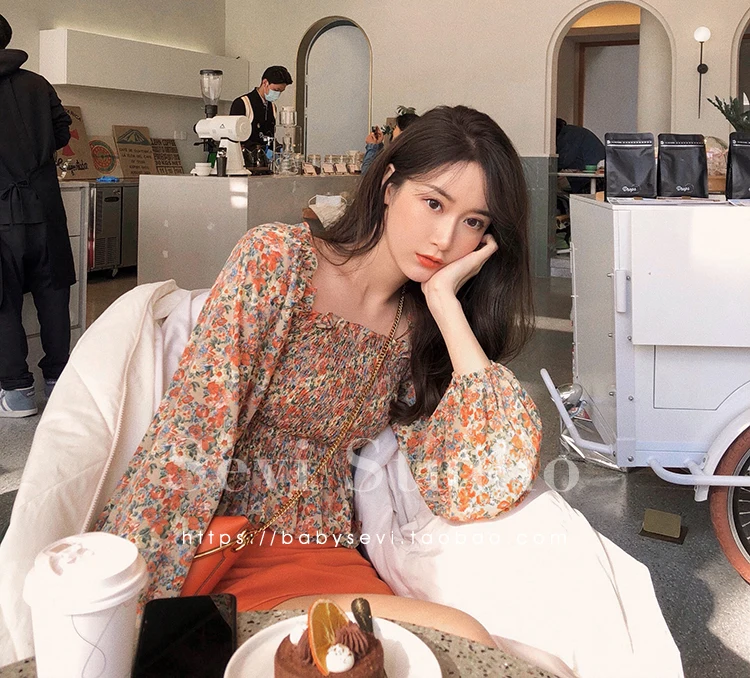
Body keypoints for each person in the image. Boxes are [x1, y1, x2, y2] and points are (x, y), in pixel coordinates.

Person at [97, 106, 539, 642]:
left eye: (473, 222)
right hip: (209, 544)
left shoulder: (422, 330)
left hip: (323, 554)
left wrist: (445, 304)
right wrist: (127, 601)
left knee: (465, 637)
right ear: (389, 186)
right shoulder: (277, 261)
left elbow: (484, 484)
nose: (445, 239)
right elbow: (190, 432)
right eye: (433, 203)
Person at [0, 15, 76, 418]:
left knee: (4, 301)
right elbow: (63, 131)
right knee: (53, 294)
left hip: (2, 212)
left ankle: (17, 392)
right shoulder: (38, 83)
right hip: (45, 207)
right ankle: (60, 382)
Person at [229, 65, 293, 154]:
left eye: (280, 91)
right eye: (276, 90)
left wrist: (280, 149)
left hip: (265, 160)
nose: (277, 94)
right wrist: (262, 151)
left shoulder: (272, 107)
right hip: (245, 158)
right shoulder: (242, 103)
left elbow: (270, 138)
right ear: (265, 83)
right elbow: (234, 139)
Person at [555, 117, 605, 194]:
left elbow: (563, 160)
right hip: (600, 174)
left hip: (594, 178)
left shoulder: (567, 135)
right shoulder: (574, 131)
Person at [361, 109, 419, 174]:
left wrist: (371, 147)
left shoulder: (399, 156)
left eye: (395, 127)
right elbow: (380, 165)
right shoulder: (416, 154)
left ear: (402, 133)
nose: (393, 131)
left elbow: (368, 175)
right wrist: (379, 145)